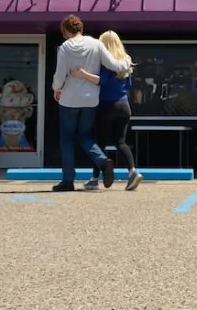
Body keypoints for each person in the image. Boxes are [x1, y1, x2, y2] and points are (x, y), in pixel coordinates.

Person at [50, 14, 133, 191]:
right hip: (91, 99)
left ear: (66, 30)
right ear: (81, 28)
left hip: (70, 99)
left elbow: (60, 74)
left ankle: (68, 181)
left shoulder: (65, 47)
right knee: (85, 136)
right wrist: (126, 61)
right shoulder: (96, 44)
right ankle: (103, 161)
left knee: (67, 140)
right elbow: (114, 66)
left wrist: (56, 89)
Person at [70, 30, 143, 191]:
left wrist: (83, 74)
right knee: (121, 142)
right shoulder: (124, 61)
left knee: (99, 143)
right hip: (124, 106)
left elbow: (101, 81)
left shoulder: (105, 61)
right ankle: (133, 172)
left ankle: (95, 179)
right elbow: (129, 85)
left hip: (106, 106)